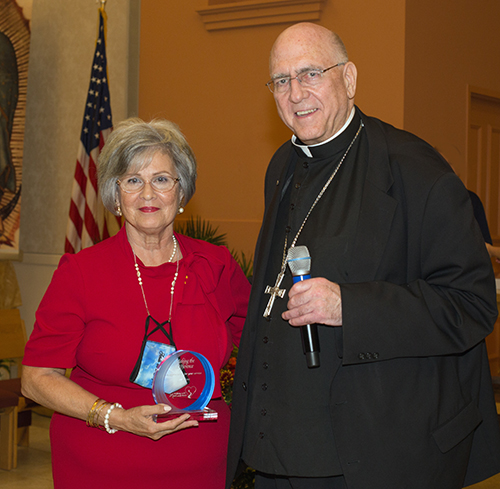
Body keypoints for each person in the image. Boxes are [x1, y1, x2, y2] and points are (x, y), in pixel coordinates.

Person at [226, 22, 500, 489]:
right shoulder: (282, 166)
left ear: (349, 79)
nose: (295, 93)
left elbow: (472, 304)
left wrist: (349, 307)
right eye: (281, 80)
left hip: (375, 453)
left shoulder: (415, 170)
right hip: (278, 451)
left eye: (311, 73)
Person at [21, 118, 251, 488]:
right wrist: (114, 415)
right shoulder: (80, 272)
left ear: (181, 192)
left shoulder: (216, 265)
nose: (148, 194)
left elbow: (264, 341)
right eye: (132, 180)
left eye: (161, 179)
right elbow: (36, 379)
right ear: (115, 195)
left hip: (202, 462)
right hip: (102, 462)